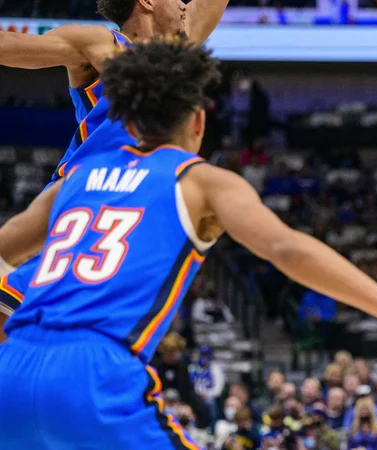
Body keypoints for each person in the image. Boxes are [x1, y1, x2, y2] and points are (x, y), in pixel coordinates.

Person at [0, 37, 377, 449]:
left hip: (13, 364)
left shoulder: (76, 178)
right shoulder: (199, 180)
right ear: (198, 123)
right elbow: (287, 249)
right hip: (94, 371)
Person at [0, 0, 231, 340]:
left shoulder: (176, 58)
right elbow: (9, 46)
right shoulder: (101, 44)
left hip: (121, 231)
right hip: (76, 209)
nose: (187, 4)